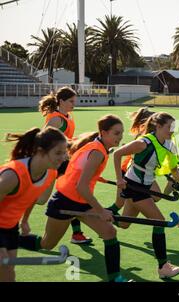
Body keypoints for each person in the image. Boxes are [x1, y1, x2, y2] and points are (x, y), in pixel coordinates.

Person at [18, 115, 132, 282]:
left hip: (81, 202)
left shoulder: (96, 146)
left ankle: (115, 278)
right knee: (47, 244)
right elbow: (81, 186)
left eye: (121, 133)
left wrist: (93, 176)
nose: (120, 137)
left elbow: (78, 168)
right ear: (103, 132)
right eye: (116, 133)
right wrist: (101, 211)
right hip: (65, 201)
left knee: (109, 231)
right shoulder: (97, 152)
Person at [113, 112, 179, 279]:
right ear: (158, 126)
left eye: (174, 127)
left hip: (145, 186)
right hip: (134, 187)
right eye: (169, 127)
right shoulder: (143, 143)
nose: (172, 131)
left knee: (123, 224)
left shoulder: (169, 144)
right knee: (159, 222)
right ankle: (163, 267)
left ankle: (102, 217)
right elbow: (117, 155)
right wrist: (119, 179)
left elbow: (174, 170)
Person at [0, 127, 67, 282]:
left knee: (8, 275)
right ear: (40, 151)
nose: (63, 158)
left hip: (10, 227)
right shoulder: (13, 175)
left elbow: (31, 196)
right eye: (58, 153)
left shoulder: (50, 173)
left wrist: (24, 220)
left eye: (64, 152)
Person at [39, 86, 92, 245]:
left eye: (74, 101)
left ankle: (77, 233)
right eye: (71, 101)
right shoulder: (56, 119)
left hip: (63, 161)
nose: (73, 104)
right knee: (41, 199)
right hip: (51, 162)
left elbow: (66, 138)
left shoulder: (68, 116)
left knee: (72, 194)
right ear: (61, 101)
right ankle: (14, 199)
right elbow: (44, 140)